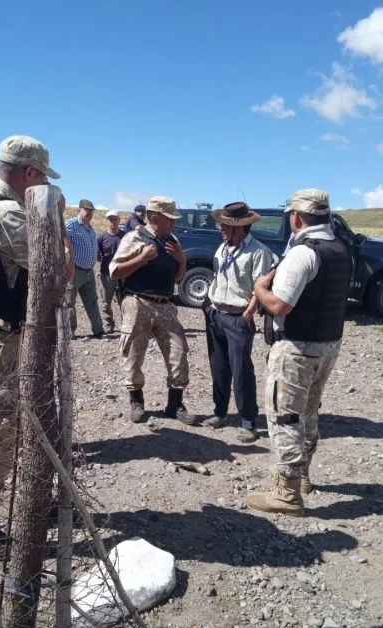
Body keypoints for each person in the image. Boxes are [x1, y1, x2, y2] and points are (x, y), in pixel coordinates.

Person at [0, 135, 73, 555]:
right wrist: (55, 217)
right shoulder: (5, 213)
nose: (43, 185)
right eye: (42, 178)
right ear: (29, 172)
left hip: (1, 332)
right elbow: (58, 268)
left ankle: (31, 503)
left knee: (23, 421)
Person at [246, 189, 351, 517]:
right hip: (328, 344)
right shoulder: (340, 249)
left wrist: (259, 289)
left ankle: (287, 493)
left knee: (285, 415)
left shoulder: (303, 252)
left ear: (296, 217)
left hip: (296, 347)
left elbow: (280, 305)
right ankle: (302, 476)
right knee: (308, 410)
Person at [109, 196, 197, 425]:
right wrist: (141, 258)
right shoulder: (135, 237)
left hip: (166, 304)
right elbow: (115, 272)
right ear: (154, 217)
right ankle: (136, 401)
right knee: (134, 353)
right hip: (138, 302)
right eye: (169, 219)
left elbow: (178, 279)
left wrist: (182, 260)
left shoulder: (172, 240)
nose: (173, 223)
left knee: (178, 351)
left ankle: (175, 404)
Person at [202, 202, 273, 442]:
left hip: (238, 317)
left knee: (242, 371)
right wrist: (209, 304)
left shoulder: (258, 252)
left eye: (224, 225)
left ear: (239, 227)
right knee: (218, 366)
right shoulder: (223, 248)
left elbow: (260, 288)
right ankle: (220, 413)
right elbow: (219, 276)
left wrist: (248, 314)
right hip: (216, 314)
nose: (220, 228)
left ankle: (248, 422)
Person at [65, 199, 104, 338]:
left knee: (92, 301)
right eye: (87, 210)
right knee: (69, 301)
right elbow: (62, 243)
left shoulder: (90, 227)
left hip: (89, 272)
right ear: (79, 210)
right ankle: (70, 332)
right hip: (74, 270)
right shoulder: (71, 224)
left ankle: (98, 330)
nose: (89, 213)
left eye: (91, 211)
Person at [97, 210, 125, 333]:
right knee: (106, 302)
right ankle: (108, 323)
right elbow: (98, 255)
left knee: (124, 301)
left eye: (115, 219)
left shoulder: (125, 236)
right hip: (106, 274)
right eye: (110, 219)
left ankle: (126, 324)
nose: (113, 221)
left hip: (123, 274)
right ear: (107, 221)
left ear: (119, 220)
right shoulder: (101, 237)